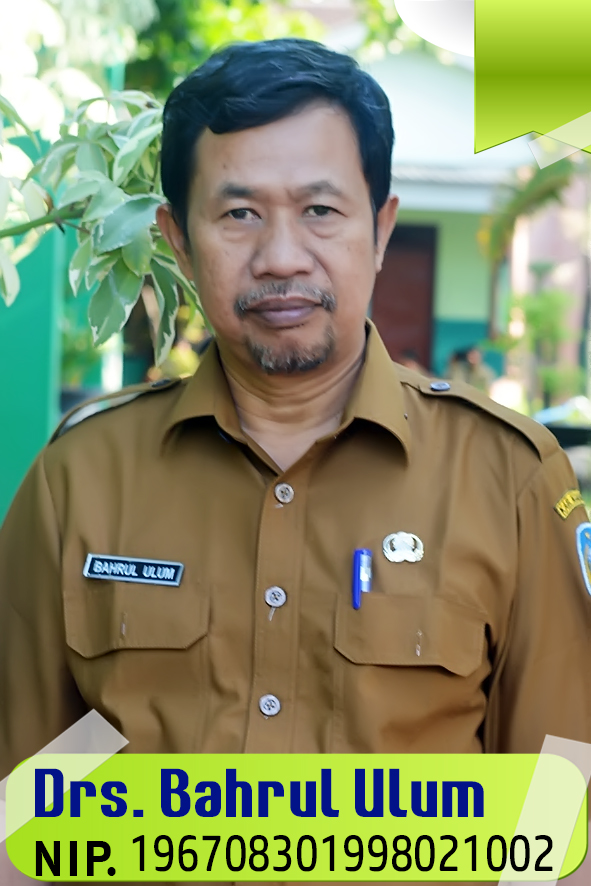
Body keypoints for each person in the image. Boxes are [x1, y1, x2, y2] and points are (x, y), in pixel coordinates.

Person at [0, 37, 590, 885]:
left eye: (319, 210)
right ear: (177, 240)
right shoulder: (79, 480)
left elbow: (557, 814)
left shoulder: (509, 480)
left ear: (379, 229)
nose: (281, 256)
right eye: (239, 213)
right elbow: (23, 812)